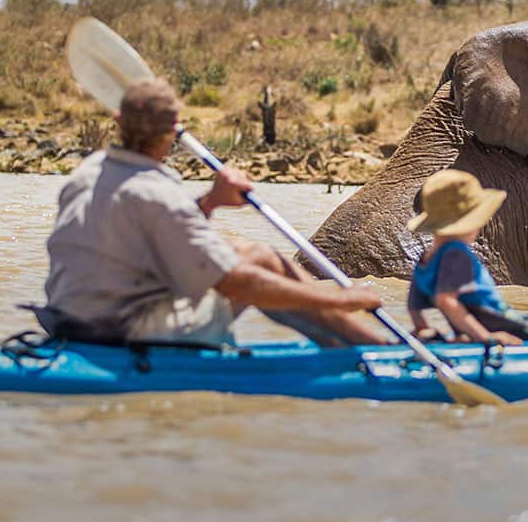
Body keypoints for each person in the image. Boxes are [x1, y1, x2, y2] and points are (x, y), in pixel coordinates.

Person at [39, 77, 389, 347]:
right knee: (262, 264)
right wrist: (341, 298)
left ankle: (357, 345)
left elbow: (151, 229)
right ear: (172, 131)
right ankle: (373, 347)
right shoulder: (159, 192)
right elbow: (240, 284)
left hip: (68, 319)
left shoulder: (87, 173)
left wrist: (210, 202)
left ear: (118, 120)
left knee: (246, 251)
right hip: (121, 331)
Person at [406, 169, 528, 346]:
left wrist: (421, 327)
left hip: (490, 323)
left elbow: (414, 301)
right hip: (501, 324)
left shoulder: (427, 258)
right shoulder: (455, 253)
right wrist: (486, 338)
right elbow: (445, 300)